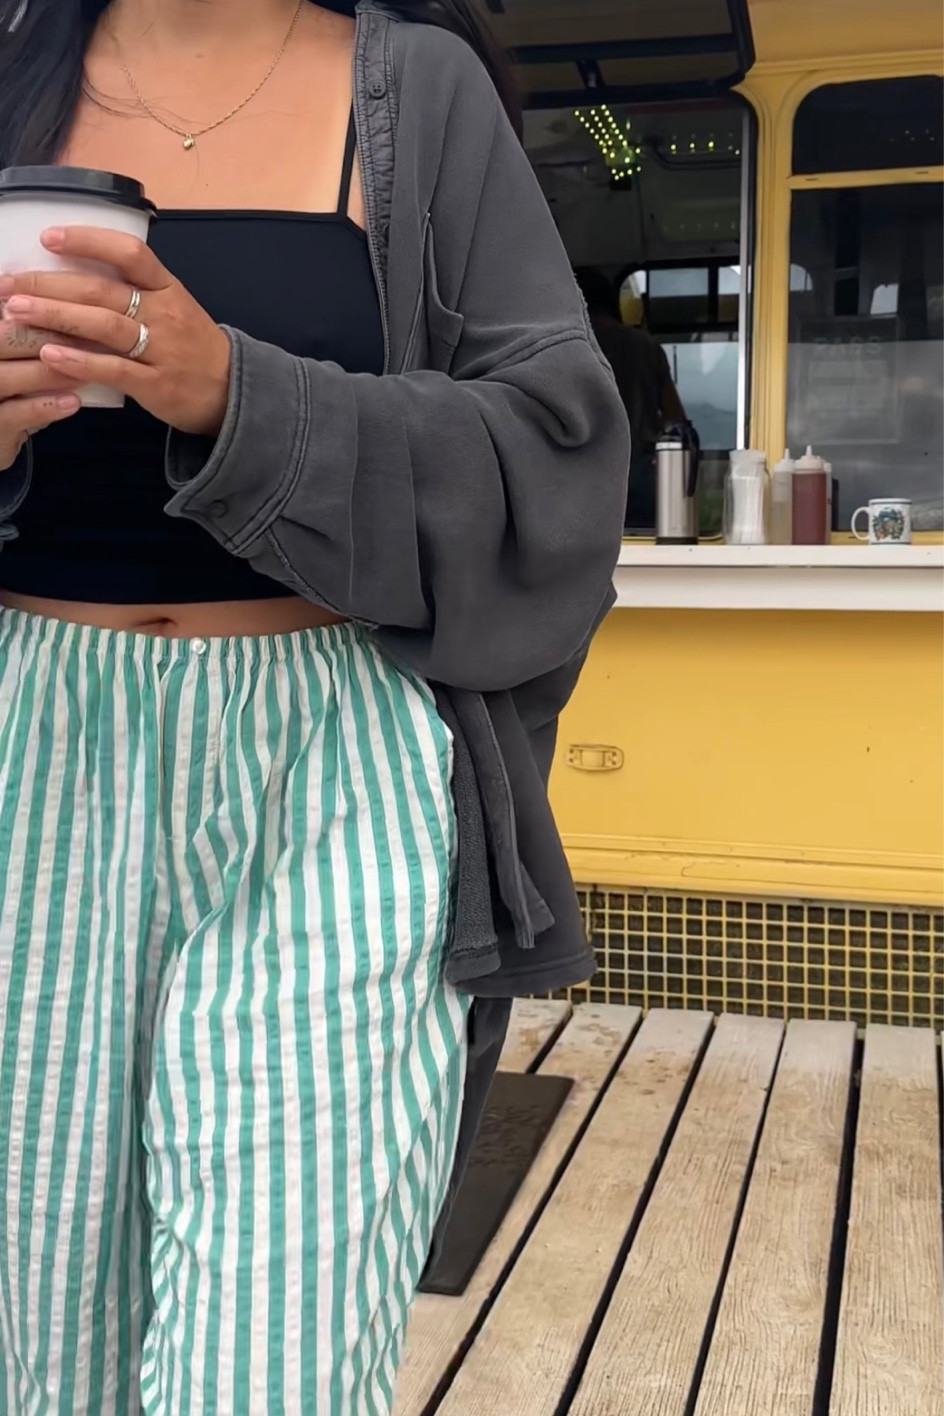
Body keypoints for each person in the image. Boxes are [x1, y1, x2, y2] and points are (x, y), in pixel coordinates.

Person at [0, 1, 629, 1412]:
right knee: (37, 1354)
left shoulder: (417, 91)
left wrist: (240, 394)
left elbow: (564, 460)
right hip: (24, 767)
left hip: (330, 774)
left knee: (274, 1364)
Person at [574, 266, 687, 528]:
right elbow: (675, 419)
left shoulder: (569, 349)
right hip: (642, 474)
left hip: (584, 476)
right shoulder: (646, 345)